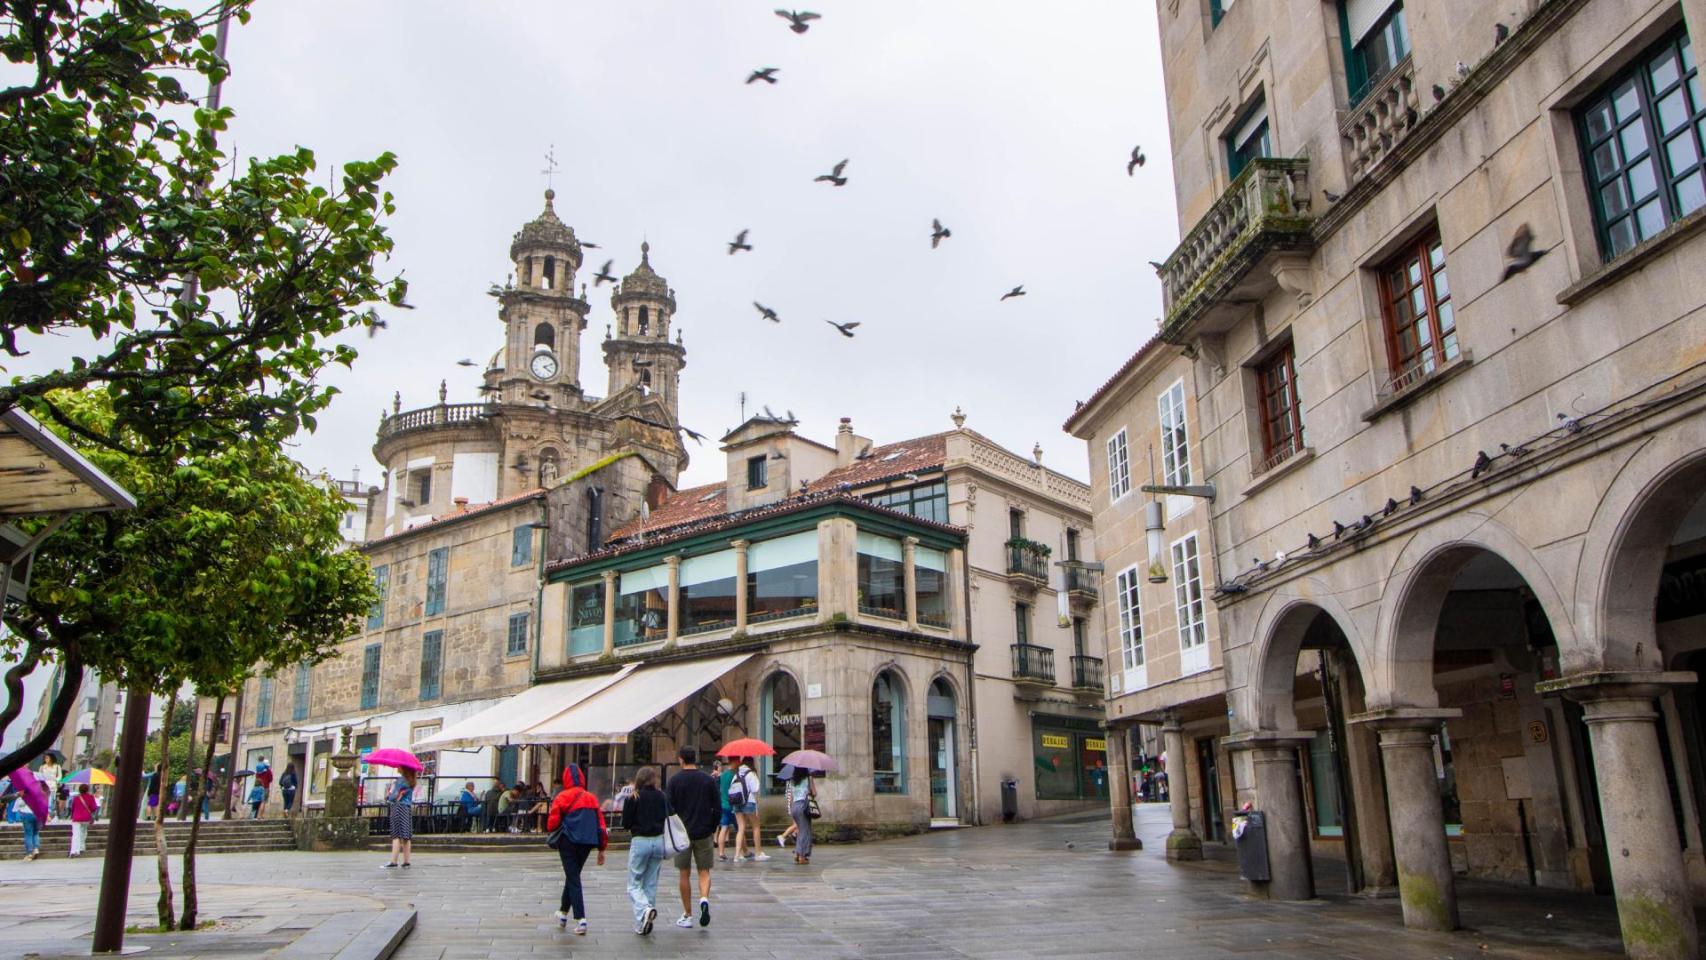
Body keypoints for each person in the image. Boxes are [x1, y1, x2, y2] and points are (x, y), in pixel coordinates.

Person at [546, 764, 608, 936]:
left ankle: (581, 919)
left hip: (568, 842)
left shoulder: (562, 797)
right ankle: (563, 912)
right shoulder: (592, 798)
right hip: (587, 843)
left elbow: (552, 824)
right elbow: (601, 826)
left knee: (573, 877)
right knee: (573, 875)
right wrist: (602, 848)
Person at [664, 747, 722, 928]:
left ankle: (688, 914)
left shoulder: (674, 781)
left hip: (682, 834)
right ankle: (704, 899)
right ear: (695, 759)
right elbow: (718, 807)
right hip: (704, 831)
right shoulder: (707, 780)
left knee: (684, 873)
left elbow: (669, 809)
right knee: (704, 871)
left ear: (681, 759)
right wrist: (712, 827)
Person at [622, 766, 668, 936]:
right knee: (650, 883)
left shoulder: (634, 797)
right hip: (658, 840)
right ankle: (643, 922)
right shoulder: (661, 796)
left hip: (640, 840)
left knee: (634, 883)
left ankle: (644, 910)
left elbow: (626, 823)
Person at [728, 757, 768, 861]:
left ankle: (737, 855)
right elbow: (755, 790)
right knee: (756, 826)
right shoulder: (751, 774)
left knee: (741, 828)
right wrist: (757, 807)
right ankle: (758, 852)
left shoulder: (736, 774)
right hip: (749, 802)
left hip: (737, 802)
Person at [383, 769, 416, 869]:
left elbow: (393, 797)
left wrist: (388, 794)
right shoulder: (411, 781)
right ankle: (406, 861)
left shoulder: (400, 780)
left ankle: (393, 861)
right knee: (406, 835)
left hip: (397, 807)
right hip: (406, 808)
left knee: (396, 834)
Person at [787, 766, 817, 865]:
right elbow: (814, 793)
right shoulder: (808, 778)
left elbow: (790, 797)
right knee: (805, 831)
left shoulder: (793, 780)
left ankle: (797, 853)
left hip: (794, 806)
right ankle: (802, 856)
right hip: (803, 806)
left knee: (800, 831)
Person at [713, 758, 736, 861]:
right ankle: (743, 852)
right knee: (740, 829)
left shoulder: (723, 775)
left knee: (724, 827)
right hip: (733, 805)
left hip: (723, 804)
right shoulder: (734, 775)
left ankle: (721, 853)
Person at [12, 790, 40, 860]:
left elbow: (15, 810)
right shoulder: (36, 796)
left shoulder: (20, 799)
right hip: (36, 815)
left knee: (28, 834)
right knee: (35, 833)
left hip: (26, 816)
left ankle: (29, 853)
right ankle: (36, 848)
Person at [37, 755, 62, 820]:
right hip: (44, 786)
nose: (46, 759)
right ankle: (44, 814)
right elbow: (39, 775)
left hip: (52, 786)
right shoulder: (42, 767)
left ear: (51, 758)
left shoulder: (57, 766)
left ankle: (50, 815)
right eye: (45, 758)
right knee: (44, 800)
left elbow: (59, 776)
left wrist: (56, 780)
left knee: (51, 801)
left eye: (47, 758)